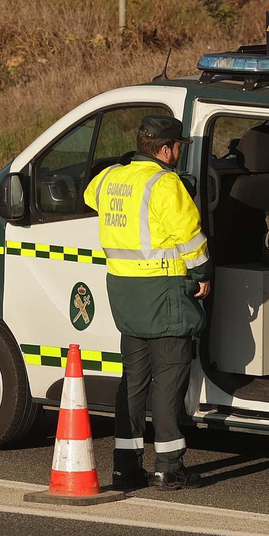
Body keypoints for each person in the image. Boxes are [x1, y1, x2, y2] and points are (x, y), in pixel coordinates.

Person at [83, 115, 212, 490]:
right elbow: (189, 237)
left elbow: (90, 191)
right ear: (167, 149)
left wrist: (121, 161)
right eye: (176, 150)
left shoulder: (109, 179)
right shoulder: (165, 183)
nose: (177, 156)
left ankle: (125, 466)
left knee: (134, 383)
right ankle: (168, 466)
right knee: (169, 380)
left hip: (125, 294)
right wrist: (203, 275)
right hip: (164, 292)